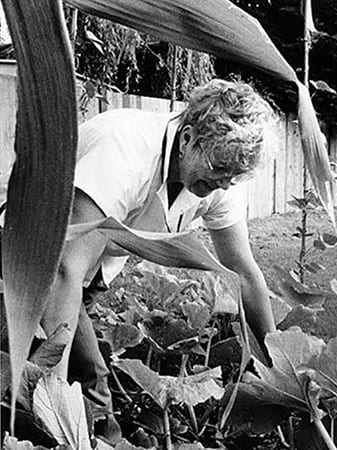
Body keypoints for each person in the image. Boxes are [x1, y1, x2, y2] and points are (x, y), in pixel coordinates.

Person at [41, 79, 278, 443]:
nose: (226, 183)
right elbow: (62, 269)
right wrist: (53, 394)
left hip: (84, 275)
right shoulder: (125, 150)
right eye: (220, 169)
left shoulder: (218, 179)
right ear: (187, 138)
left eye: (235, 175)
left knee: (88, 389)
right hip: (28, 264)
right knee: (75, 384)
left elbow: (243, 273)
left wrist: (279, 362)